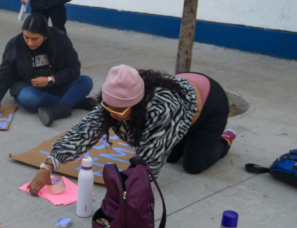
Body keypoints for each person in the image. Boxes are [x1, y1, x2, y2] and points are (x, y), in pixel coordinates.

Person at [27, 65, 237, 195]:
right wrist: (47, 167)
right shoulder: (113, 101)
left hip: (209, 104)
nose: (114, 114)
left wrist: (124, 191)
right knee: (172, 157)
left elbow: (149, 162)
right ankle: (186, 138)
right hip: (184, 97)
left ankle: (223, 141)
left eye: (121, 110)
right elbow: (84, 131)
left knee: (193, 165)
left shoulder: (162, 108)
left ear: (137, 104)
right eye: (109, 107)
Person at [0, 13, 95, 126]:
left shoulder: (60, 38)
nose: (30, 42)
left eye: (35, 39)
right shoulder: (15, 44)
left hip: (56, 83)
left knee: (86, 81)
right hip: (29, 87)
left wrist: (51, 79)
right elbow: (5, 73)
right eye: (26, 37)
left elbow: (74, 67)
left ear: (45, 35)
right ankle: (74, 101)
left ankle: (58, 109)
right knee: (29, 98)